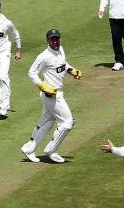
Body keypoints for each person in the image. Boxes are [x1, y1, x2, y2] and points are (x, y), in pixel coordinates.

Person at [20, 29, 82, 163]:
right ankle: (51, 150)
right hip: (51, 94)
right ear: (47, 40)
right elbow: (31, 72)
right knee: (67, 122)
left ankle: (29, 148)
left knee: (47, 122)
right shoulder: (44, 56)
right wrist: (42, 85)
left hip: (59, 92)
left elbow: (63, 65)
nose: (55, 41)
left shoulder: (61, 50)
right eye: (52, 39)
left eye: (57, 39)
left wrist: (71, 70)